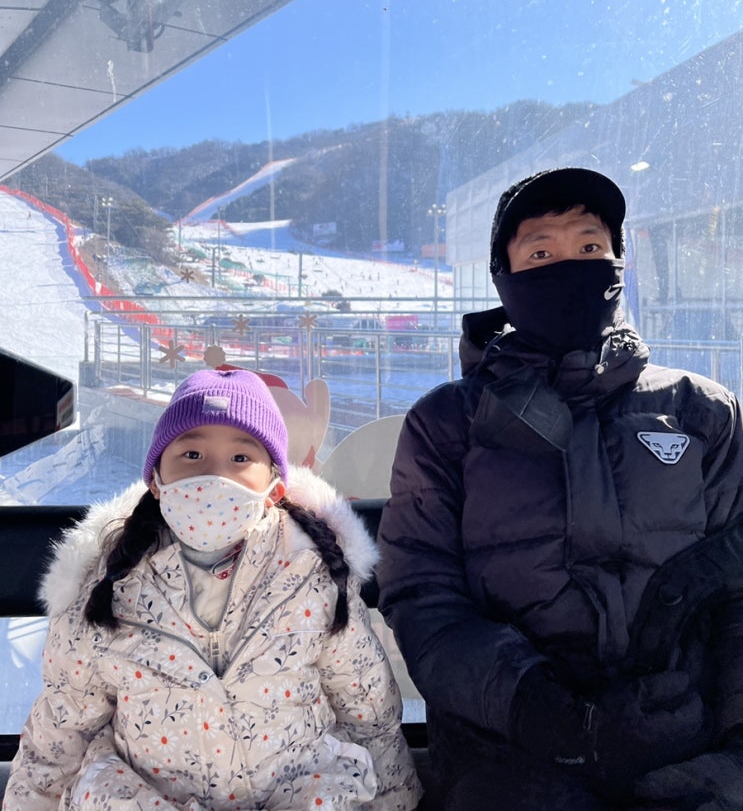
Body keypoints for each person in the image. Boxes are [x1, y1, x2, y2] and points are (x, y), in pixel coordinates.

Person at [376, 167, 743, 811]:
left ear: (619, 263)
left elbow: (735, 589)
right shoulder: (448, 423)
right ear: (505, 277)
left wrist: (731, 744)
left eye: (589, 246)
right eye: (541, 253)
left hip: (686, 738)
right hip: (508, 748)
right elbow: (422, 596)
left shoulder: (702, 411)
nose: (569, 265)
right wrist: (548, 716)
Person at [5, 368, 422, 811]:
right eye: (191, 453)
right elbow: (66, 719)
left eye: (240, 458)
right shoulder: (109, 584)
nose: (214, 475)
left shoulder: (313, 575)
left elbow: (365, 703)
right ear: (156, 480)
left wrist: (396, 799)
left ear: (274, 488)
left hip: (296, 793)